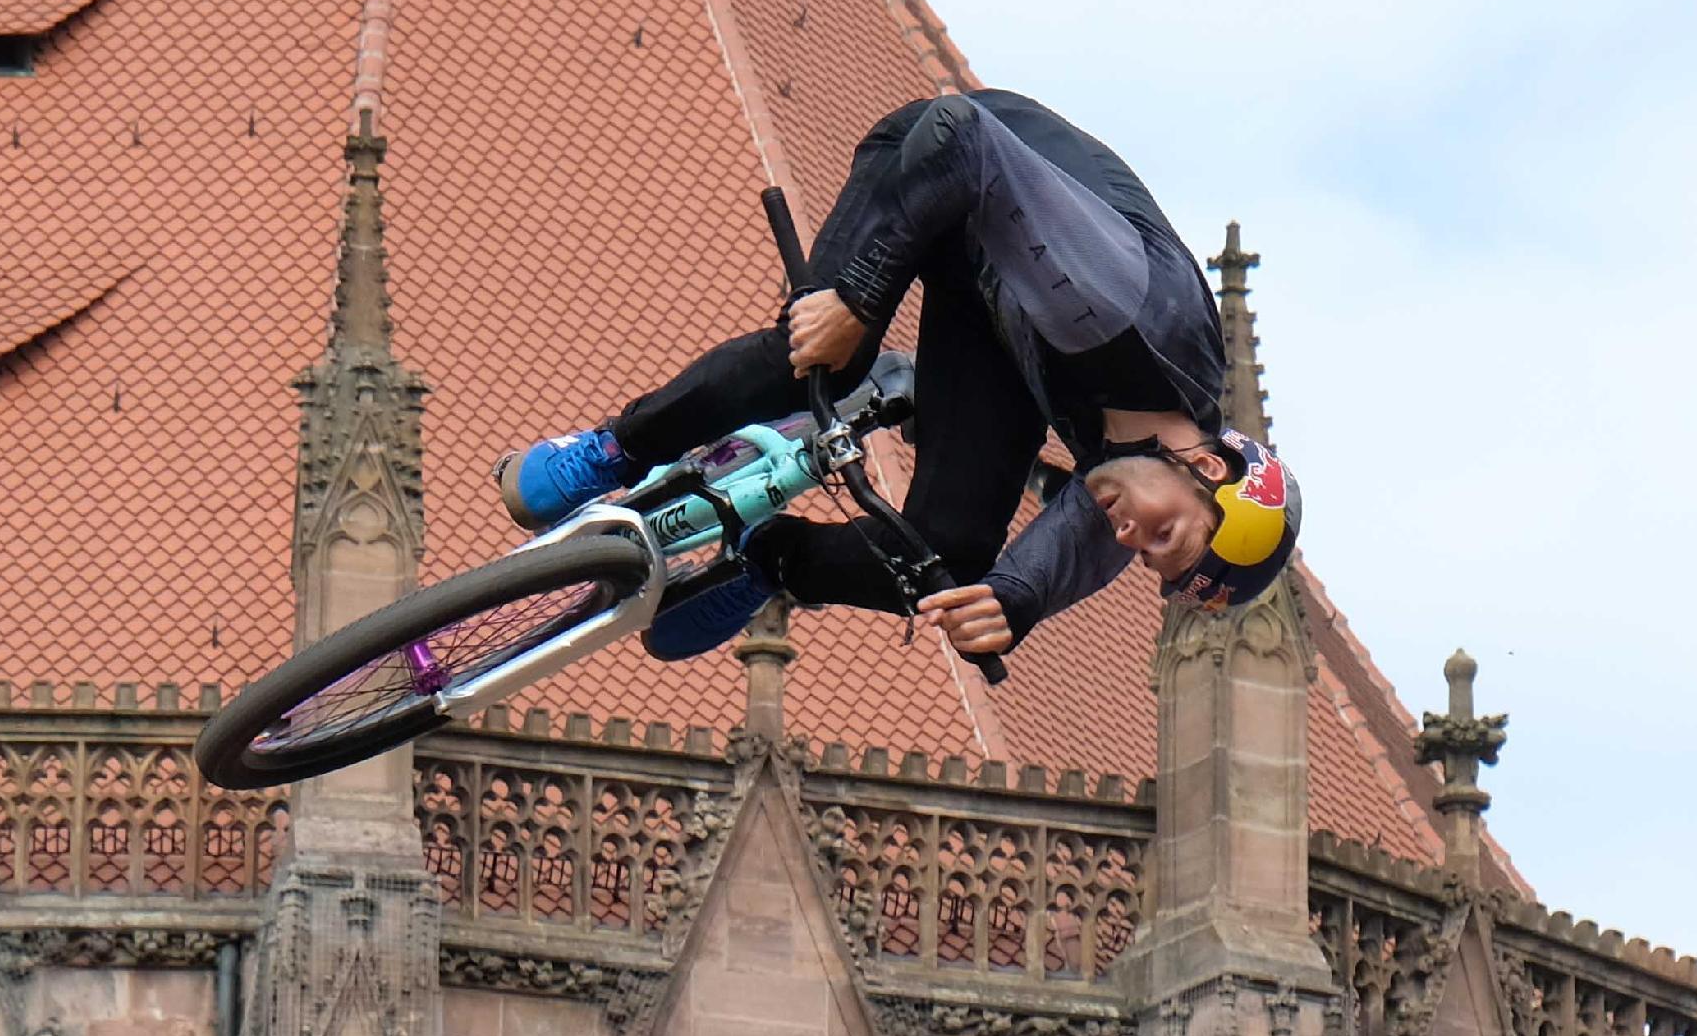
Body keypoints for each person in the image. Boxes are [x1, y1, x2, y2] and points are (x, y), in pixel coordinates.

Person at [497, 90, 1303, 663]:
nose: (1131, 540)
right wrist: (857, 294)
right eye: (1160, 535)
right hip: (934, 167)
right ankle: (613, 450)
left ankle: (767, 561)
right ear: (1204, 466)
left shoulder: (1148, 465)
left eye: (1149, 555)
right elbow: (963, 134)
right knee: (823, 356)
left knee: (945, 555)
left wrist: (1013, 603)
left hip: (995, 309)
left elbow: (1079, 552)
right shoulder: (1117, 304)